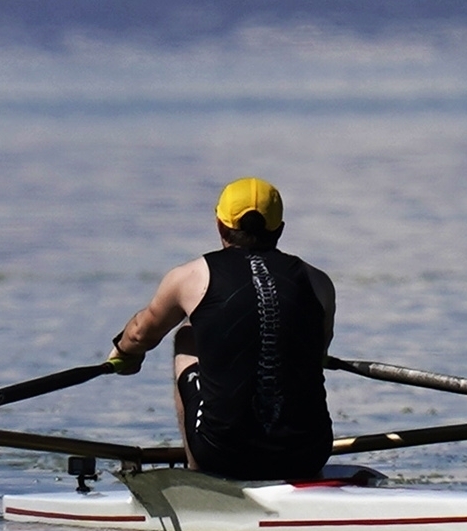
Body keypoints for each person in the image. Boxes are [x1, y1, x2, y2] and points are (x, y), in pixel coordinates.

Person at [111, 174, 338, 483]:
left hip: (223, 455)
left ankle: (198, 474)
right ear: (280, 229)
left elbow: (140, 334)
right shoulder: (318, 281)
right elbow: (318, 353)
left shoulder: (190, 277)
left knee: (186, 335)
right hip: (309, 454)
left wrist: (124, 354)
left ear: (220, 225)